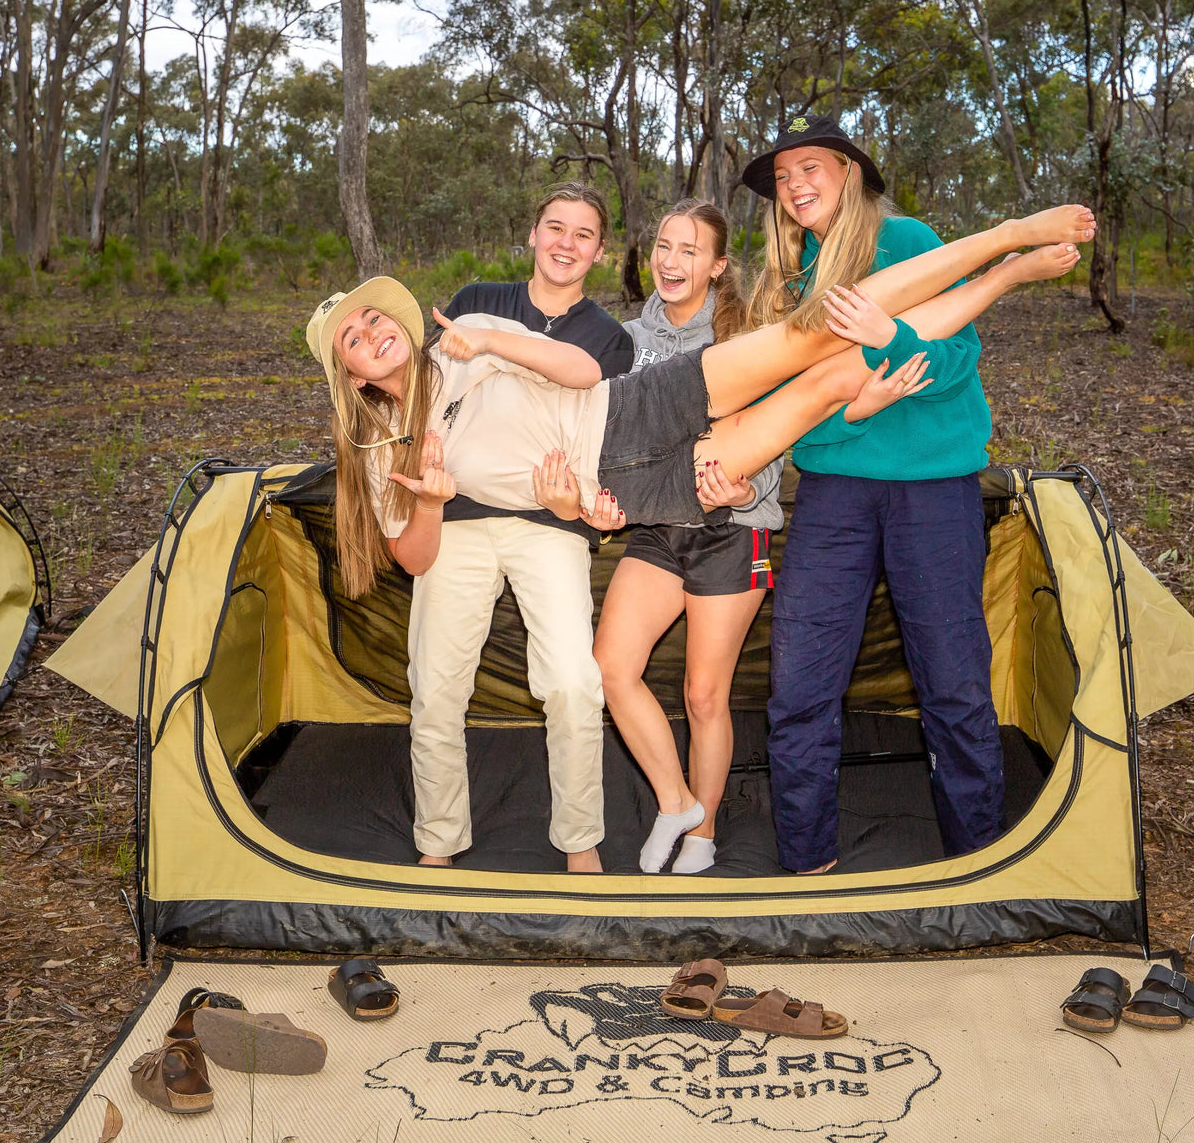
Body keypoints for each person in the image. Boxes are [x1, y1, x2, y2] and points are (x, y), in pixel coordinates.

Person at [306, 203, 1091, 871]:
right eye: (352, 338)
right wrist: (466, 502)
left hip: (629, 409)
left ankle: (999, 245)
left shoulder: (465, 335)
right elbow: (417, 550)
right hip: (632, 487)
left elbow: (581, 374)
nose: (371, 332)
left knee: (813, 333)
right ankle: (1000, 280)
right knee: (832, 377)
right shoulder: (387, 452)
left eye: (373, 317)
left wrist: (494, 342)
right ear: (353, 376)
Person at [742, 112, 1030, 875]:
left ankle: (976, 859)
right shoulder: (788, 274)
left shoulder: (906, 243)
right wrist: (854, 410)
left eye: (813, 166)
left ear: (851, 174)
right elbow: (792, 410)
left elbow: (956, 359)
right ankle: (808, 864)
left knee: (952, 677)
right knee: (801, 679)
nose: (796, 184)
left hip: (930, 491)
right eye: (782, 175)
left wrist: (884, 333)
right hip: (834, 495)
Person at [405, 182, 631, 874]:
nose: (565, 242)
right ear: (532, 234)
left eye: (582, 233)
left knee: (570, 680)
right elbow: (434, 395)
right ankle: (437, 843)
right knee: (437, 684)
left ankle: (580, 841)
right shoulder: (477, 297)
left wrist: (497, 349)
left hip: (548, 524)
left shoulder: (606, 335)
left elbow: (583, 375)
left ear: (598, 250)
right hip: (460, 515)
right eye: (554, 227)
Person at [594, 200, 783, 875]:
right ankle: (673, 800)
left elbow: (774, 424)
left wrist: (746, 488)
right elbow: (607, 433)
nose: (672, 263)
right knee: (611, 667)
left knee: (705, 693)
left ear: (717, 264)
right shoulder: (621, 339)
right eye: (663, 247)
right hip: (657, 531)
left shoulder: (743, 331)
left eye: (690, 251)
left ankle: (701, 836)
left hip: (732, 529)